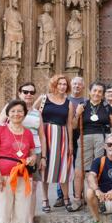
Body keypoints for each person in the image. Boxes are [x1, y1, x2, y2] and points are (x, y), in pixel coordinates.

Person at [0, 83, 47, 223]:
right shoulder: (11, 108)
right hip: (13, 155)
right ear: (19, 93)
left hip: (33, 154)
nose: (28, 95)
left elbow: (42, 135)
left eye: (32, 92)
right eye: (25, 92)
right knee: (13, 187)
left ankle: (30, 222)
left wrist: (42, 156)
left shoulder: (37, 113)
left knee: (32, 188)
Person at [33, 75, 74, 213]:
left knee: (62, 168)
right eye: (60, 84)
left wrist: (70, 144)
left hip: (61, 136)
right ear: (54, 85)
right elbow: (31, 113)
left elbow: (69, 124)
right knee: (44, 168)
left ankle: (67, 199)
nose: (62, 86)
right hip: (44, 135)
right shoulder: (44, 98)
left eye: (64, 84)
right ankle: (45, 199)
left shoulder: (69, 103)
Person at [54, 77, 85, 210]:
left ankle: (78, 195)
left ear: (83, 86)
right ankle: (61, 196)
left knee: (79, 166)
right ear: (70, 86)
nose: (77, 86)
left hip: (81, 135)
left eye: (79, 84)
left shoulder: (86, 102)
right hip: (65, 135)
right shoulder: (65, 101)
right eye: (74, 83)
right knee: (63, 165)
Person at [74, 81, 112, 177]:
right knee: (81, 168)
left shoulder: (106, 106)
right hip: (85, 137)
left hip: (102, 137)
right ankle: (80, 192)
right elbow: (74, 125)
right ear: (90, 92)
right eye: (95, 90)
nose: (97, 93)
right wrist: (77, 113)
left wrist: (110, 137)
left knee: (100, 166)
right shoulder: (83, 105)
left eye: (100, 91)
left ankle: (97, 190)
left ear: (103, 94)